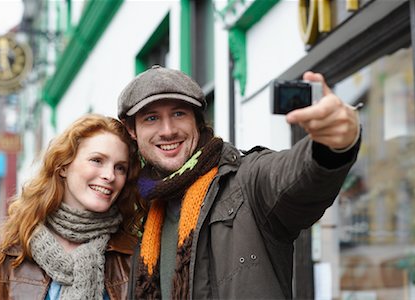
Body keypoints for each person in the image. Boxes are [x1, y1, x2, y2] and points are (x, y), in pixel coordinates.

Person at [117, 65, 361, 299]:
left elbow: (294, 177)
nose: (168, 130)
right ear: (132, 130)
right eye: (151, 118)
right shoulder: (142, 214)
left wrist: (334, 145)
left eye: (179, 113)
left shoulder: (246, 178)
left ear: (197, 121)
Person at [0, 114, 146, 299]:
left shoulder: (133, 254)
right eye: (97, 160)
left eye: (120, 167)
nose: (110, 175)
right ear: (64, 166)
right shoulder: (2, 254)